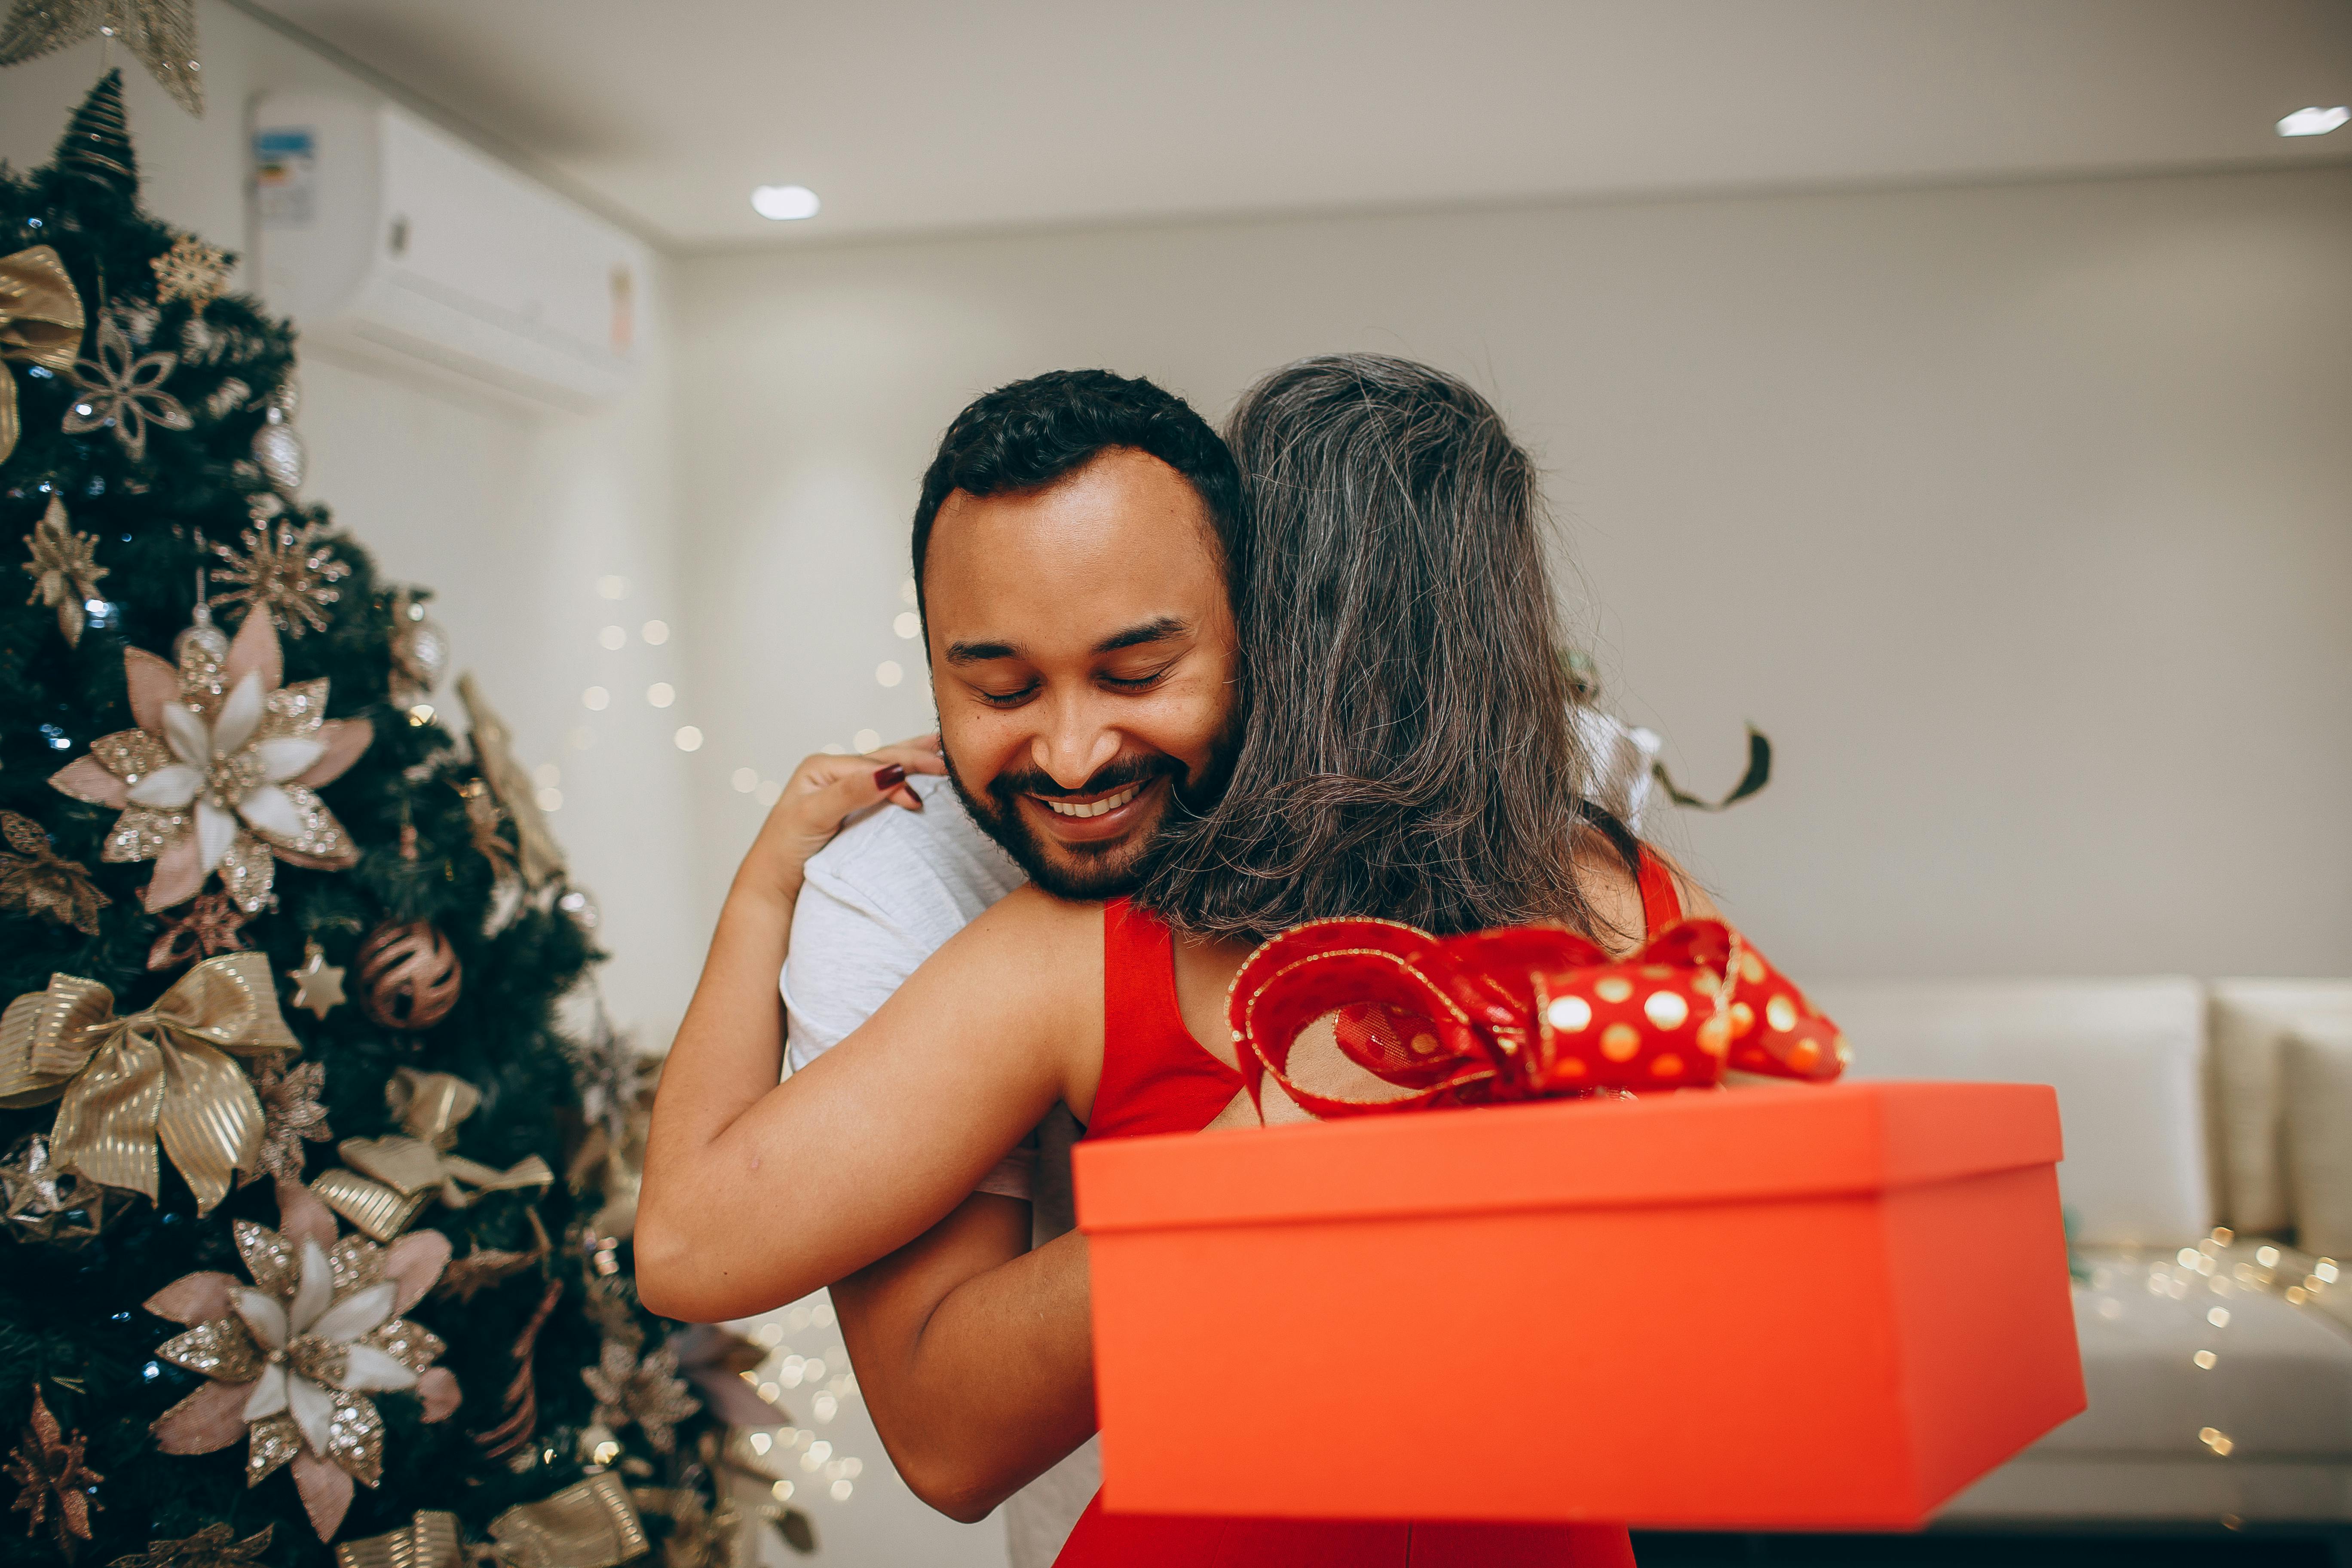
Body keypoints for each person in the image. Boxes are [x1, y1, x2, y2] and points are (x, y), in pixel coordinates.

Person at [641, 355, 1712, 1565]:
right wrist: (1277, 1147)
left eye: (1138, 673)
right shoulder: (1055, 935)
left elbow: (1753, 1321)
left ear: (1258, 634)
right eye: (1000, 685)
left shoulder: (1615, 909)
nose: (1078, 750)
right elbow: (698, 1256)